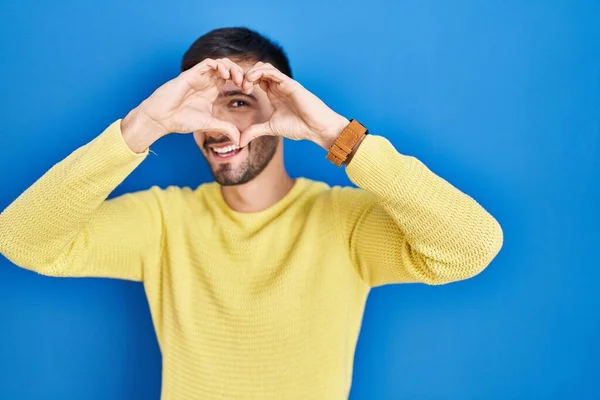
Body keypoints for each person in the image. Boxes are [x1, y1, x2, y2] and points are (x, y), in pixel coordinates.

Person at [0, 27, 503, 399]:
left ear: (280, 110)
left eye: (238, 102)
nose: (217, 126)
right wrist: (144, 125)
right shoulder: (164, 223)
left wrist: (336, 136)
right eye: (203, 105)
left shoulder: (344, 224)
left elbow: (471, 246)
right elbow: (23, 239)